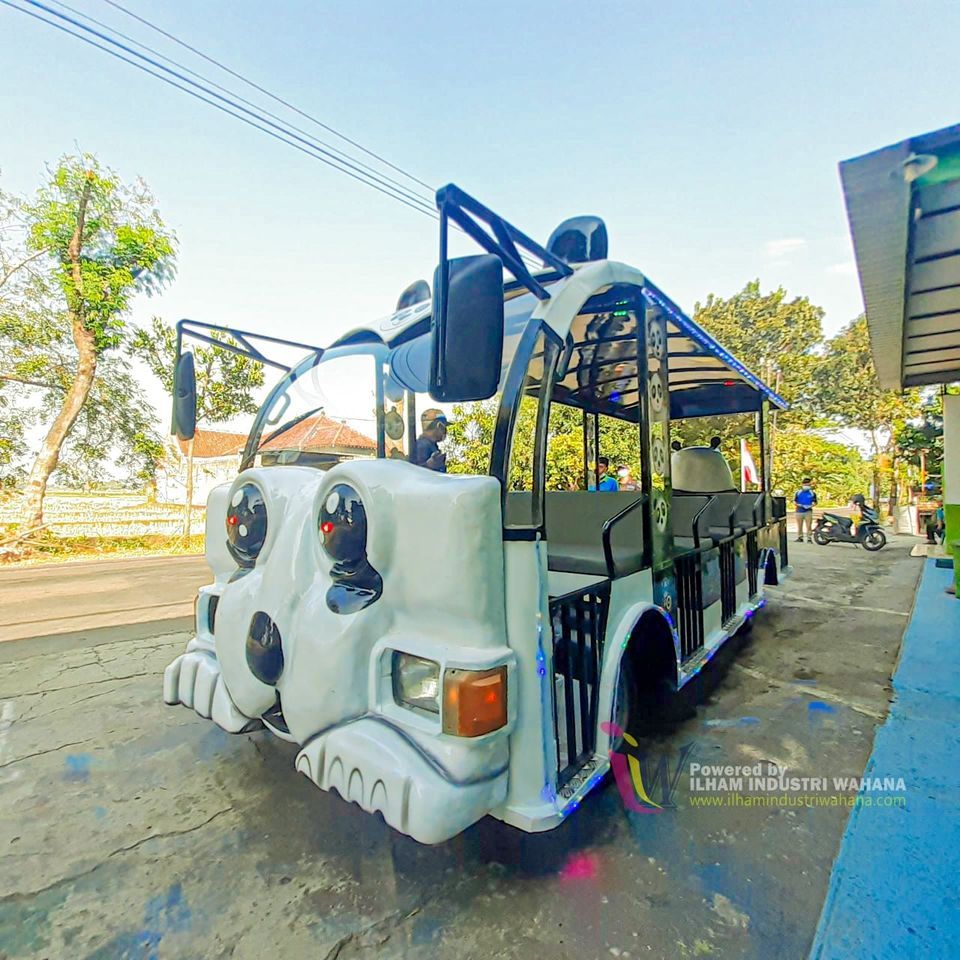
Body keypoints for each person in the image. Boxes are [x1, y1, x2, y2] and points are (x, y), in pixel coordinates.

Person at [413, 408, 449, 473]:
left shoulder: (431, 445)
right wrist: (429, 465)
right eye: (444, 427)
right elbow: (414, 472)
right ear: (438, 425)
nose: (446, 431)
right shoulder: (422, 445)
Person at [794, 477, 817, 542]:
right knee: (799, 525)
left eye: (809, 485)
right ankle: (800, 537)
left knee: (809, 525)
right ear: (802, 485)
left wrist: (811, 505)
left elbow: (815, 502)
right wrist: (799, 505)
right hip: (799, 511)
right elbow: (795, 501)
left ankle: (809, 538)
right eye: (806, 485)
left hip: (808, 511)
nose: (807, 486)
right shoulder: (798, 492)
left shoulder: (812, 493)